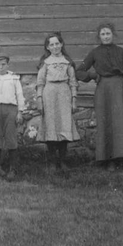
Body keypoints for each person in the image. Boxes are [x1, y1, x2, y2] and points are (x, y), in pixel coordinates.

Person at [76, 22, 123, 168]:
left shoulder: (121, 51)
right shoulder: (95, 52)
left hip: (120, 89)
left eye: (108, 34)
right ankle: (109, 160)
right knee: (107, 123)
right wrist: (93, 75)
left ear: (113, 35)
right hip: (103, 90)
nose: (106, 37)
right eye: (103, 34)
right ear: (99, 36)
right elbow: (79, 71)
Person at [35, 32, 80, 172]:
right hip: (49, 94)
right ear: (47, 47)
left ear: (61, 44)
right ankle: (53, 162)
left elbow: (73, 82)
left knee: (64, 125)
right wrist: (39, 100)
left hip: (64, 94)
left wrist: (73, 100)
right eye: (51, 44)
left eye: (57, 44)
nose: (55, 47)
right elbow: (40, 83)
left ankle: (63, 161)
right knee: (51, 126)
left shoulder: (68, 62)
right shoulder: (45, 63)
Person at [0, 55, 26, 179]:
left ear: (8, 65)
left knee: (10, 136)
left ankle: (13, 169)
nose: (1, 67)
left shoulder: (14, 78)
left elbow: (19, 95)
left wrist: (20, 112)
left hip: (10, 109)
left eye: (3, 64)